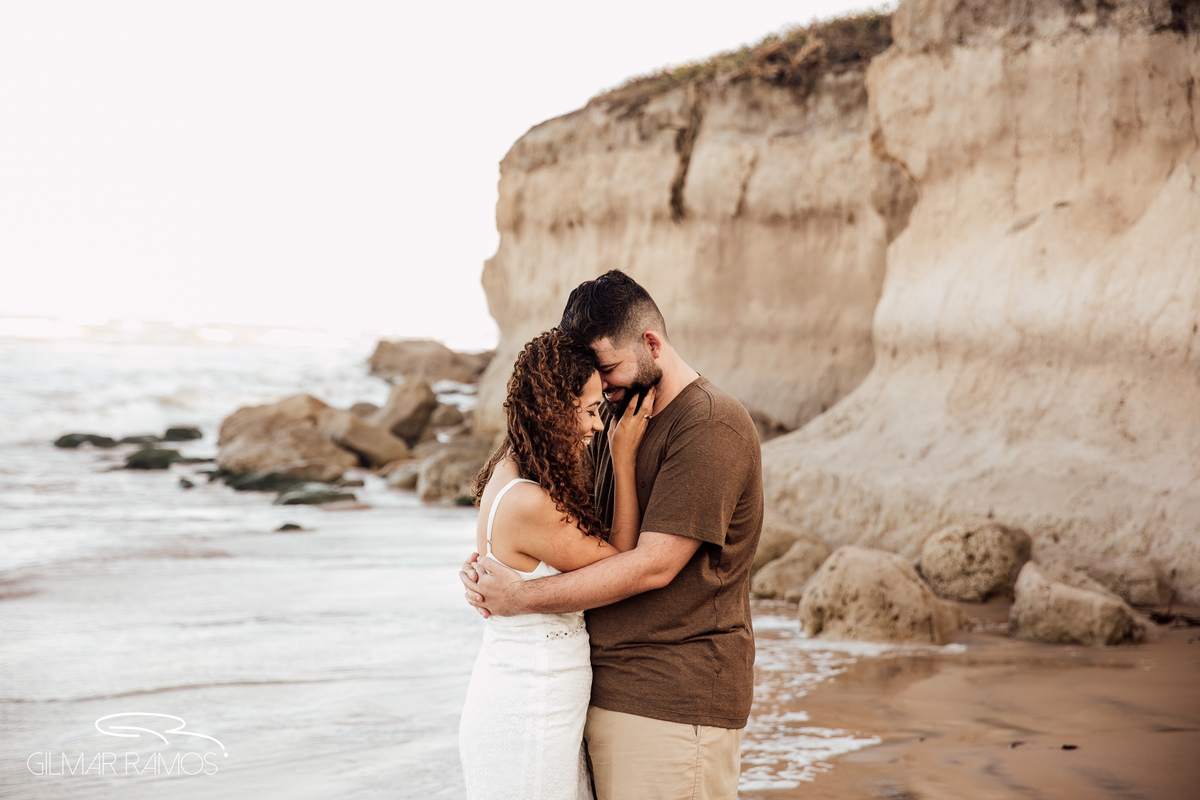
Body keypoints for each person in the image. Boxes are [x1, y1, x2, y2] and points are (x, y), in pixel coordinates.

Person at [462, 270, 764, 800]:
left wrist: (521, 595)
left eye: (607, 369)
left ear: (650, 343)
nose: (603, 388)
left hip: (670, 698)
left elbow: (653, 564)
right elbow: (559, 525)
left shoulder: (710, 425)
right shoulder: (610, 417)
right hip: (596, 691)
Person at [459, 328, 655, 800]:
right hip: (531, 705)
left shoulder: (509, 466)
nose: (597, 425)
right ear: (552, 409)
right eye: (589, 410)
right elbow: (621, 567)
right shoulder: (528, 500)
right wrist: (622, 459)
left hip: (530, 694)